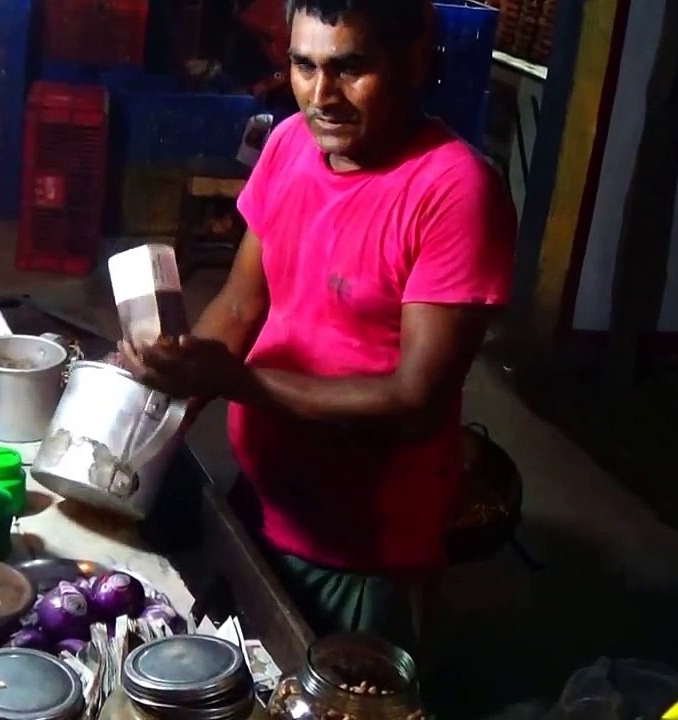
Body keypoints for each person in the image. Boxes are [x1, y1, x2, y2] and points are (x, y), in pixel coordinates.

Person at [119, 0, 516, 654]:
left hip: (363, 550)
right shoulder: (289, 147)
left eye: (350, 68)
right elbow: (242, 307)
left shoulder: (455, 191)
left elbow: (415, 401)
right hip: (258, 502)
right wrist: (156, 415)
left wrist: (239, 383)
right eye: (304, 66)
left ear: (415, 62)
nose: (321, 96)